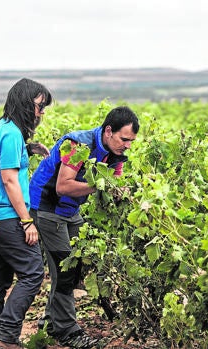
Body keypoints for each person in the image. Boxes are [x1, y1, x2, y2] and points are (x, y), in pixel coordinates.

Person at [29, 106, 139, 348]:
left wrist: (128, 194)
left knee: (75, 265)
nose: (128, 145)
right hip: (47, 206)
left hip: (70, 210)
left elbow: (114, 184)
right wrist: (100, 185)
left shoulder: (115, 154)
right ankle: (68, 331)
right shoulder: (79, 146)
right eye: (124, 139)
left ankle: (49, 321)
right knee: (64, 270)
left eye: (131, 141)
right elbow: (63, 187)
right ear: (108, 131)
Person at [0, 78, 52, 348]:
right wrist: (27, 221)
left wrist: (28, 149)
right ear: (25, 103)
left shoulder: (1, 127)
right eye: (39, 107)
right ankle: (6, 336)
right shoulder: (11, 135)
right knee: (32, 273)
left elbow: (3, 162)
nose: (41, 113)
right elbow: (9, 181)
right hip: (6, 216)